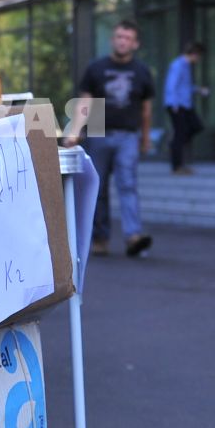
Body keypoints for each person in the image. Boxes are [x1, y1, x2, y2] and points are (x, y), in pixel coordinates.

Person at [64, 20, 155, 258]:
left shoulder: (142, 71)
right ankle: (100, 238)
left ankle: (133, 236)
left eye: (127, 38)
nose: (122, 41)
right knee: (98, 187)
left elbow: (146, 110)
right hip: (98, 133)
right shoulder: (96, 68)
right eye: (118, 37)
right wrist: (74, 130)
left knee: (128, 185)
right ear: (112, 40)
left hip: (128, 136)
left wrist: (146, 139)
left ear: (135, 44)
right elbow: (85, 102)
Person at [164, 40, 207, 175]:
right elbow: (172, 85)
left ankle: (175, 145)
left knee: (196, 126)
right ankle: (177, 165)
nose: (199, 60)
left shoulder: (187, 66)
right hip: (177, 105)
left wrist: (198, 90)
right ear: (195, 54)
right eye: (199, 56)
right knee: (180, 134)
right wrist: (174, 104)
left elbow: (185, 86)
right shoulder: (178, 64)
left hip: (185, 104)